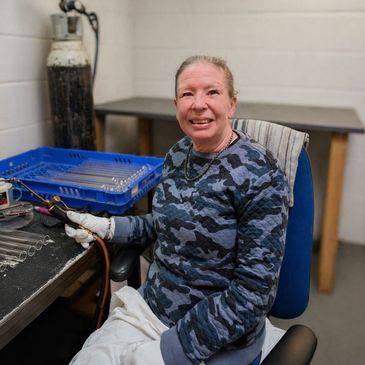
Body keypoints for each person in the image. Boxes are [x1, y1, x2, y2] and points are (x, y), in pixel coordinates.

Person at [65, 55, 289, 365]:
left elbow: (254, 293)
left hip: (217, 335)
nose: (198, 104)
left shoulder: (259, 173)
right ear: (176, 105)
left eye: (212, 92)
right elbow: (165, 223)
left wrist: (171, 350)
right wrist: (110, 227)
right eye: (187, 93)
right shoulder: (177, 154)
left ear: (232, 104)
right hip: (152, 310)